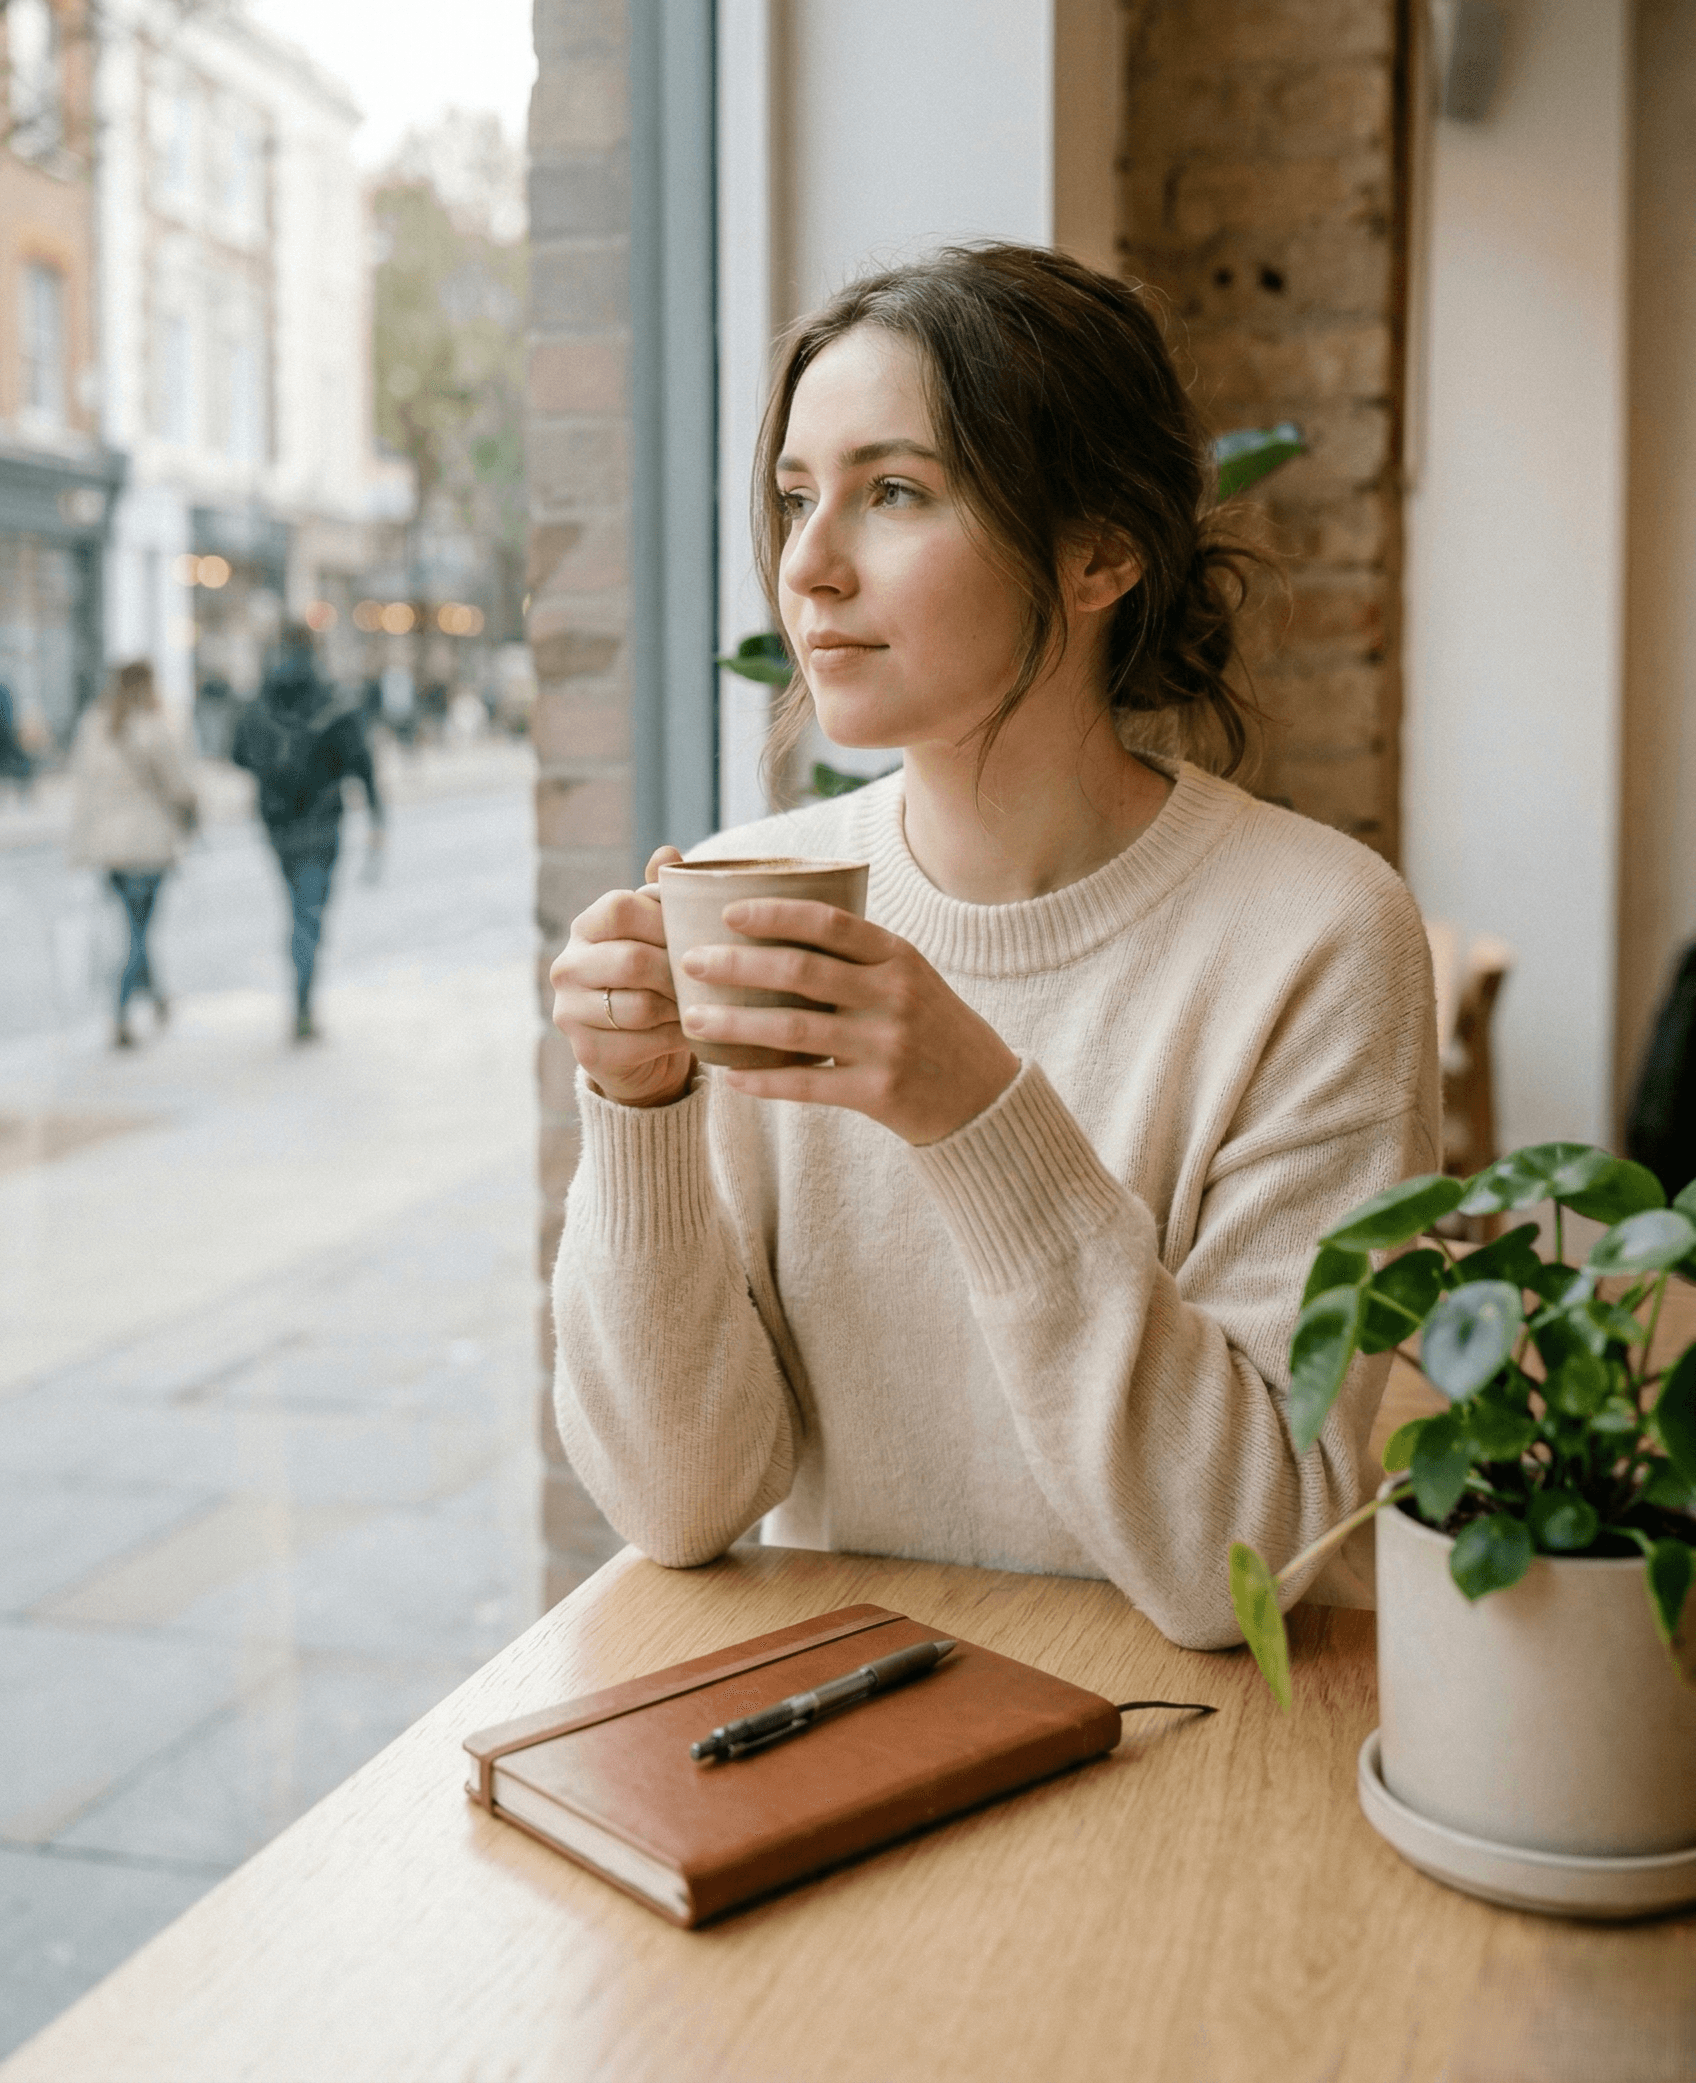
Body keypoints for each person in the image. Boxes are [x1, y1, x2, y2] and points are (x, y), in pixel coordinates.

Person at [548, 244, 1440, 1655]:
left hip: (1196, 1761)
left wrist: (974, 1110)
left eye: (892, 492)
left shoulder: (1319, 937)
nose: (809, 567)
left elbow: (1250, 1562)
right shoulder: (747, 895)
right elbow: (678, 1504)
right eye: (794, 499)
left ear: (1098, 550)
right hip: (849, 1733)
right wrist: (641, 1112)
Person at [233, 624, 384, 1042]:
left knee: (297, 905)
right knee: (309, 912)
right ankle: (302, 1001)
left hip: (277, 823)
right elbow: (363, 765)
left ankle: (301, 992)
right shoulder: (330, 698)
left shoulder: (262, 699)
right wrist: (377, 820)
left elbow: (238, 753)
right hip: (321, 822)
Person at [68, 661, 198, 1048]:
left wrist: (83, 842)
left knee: (134, 925)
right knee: (139, 931)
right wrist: (192, 813)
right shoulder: (155, 724)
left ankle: (156, 996)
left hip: (110, 847)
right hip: (148, 843)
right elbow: (177, 783)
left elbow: (83, 787)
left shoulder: (93, 724)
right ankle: (122, 1010)